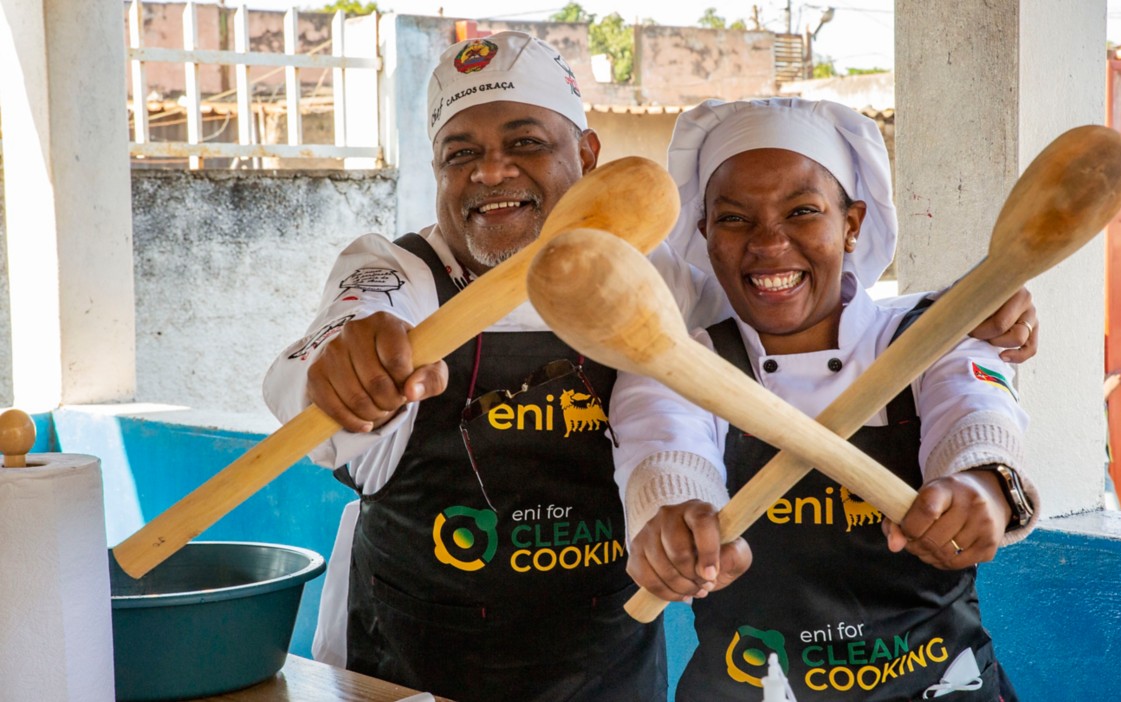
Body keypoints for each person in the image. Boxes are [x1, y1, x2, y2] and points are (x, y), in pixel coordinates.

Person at [263, 33, 1038, 702]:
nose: (491, 172)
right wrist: (344, 367)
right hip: (412, 666)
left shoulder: (654, 278)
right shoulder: (402, 279)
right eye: (459, 153)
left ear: (589, 157)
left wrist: (963, 316)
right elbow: (328, 349)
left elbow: (811, 306)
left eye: (525, 142)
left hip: (605, 670)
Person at [611, 98, 1042, 701]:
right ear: (705, 233)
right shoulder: (680, 364)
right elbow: (663, 448)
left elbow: (976, 410)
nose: (768, 243)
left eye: (802, 211)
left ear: (852, 223)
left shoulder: (932, 335)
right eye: (734, 219)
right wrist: (673, 525)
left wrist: (981, 486)